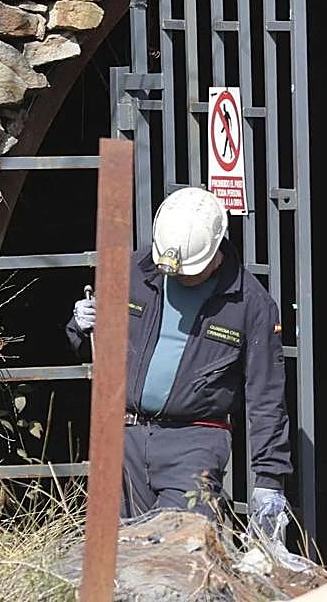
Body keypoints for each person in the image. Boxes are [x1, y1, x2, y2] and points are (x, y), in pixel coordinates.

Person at [67, 186, 291, 533]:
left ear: (216, 248)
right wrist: (81, 328)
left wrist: (269, 478)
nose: (177, 275)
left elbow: (266, 396)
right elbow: (97, 351)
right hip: (125, 435)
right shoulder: (135, 271)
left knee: (181, 548)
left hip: (195, 443)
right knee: (120, 552)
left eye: (189, 269)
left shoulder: (250, 304)